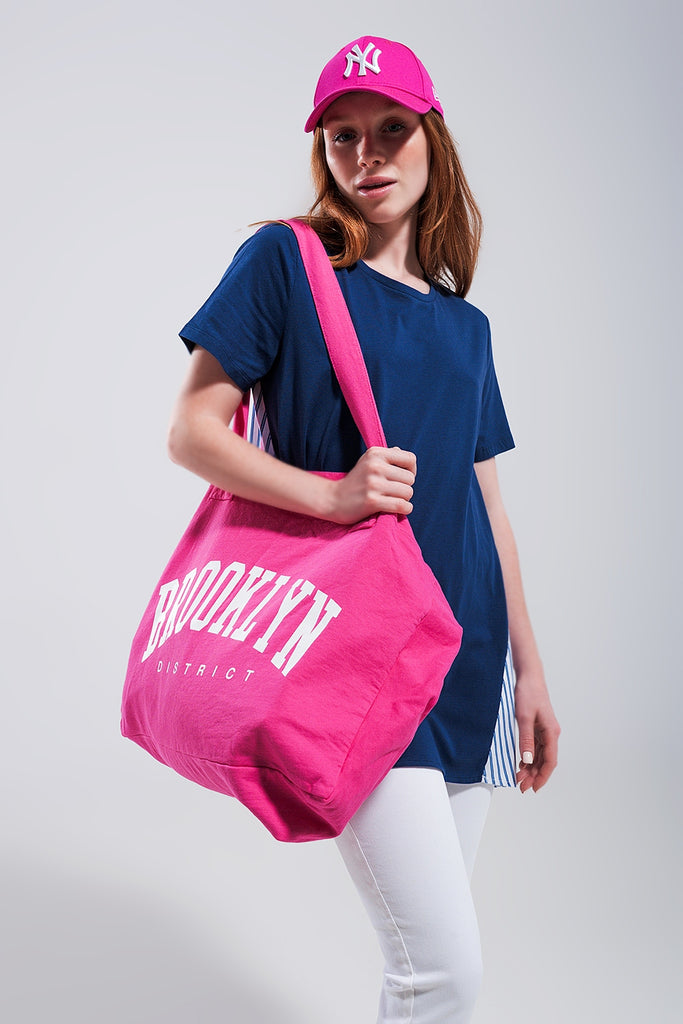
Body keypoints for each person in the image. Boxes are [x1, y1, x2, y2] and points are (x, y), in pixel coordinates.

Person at [169, 35, 560, 1024]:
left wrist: (529, 673)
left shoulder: (465, 326)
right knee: (441, 975)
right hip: (351, 654)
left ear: (433, 141)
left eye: (390, 128)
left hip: (463, 662)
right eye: (342, 136)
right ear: (322, 152)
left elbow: (488, 506)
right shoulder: (284, 263)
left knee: (424, 971)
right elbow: (191, 432)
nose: (366, 153)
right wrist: (331, 498)